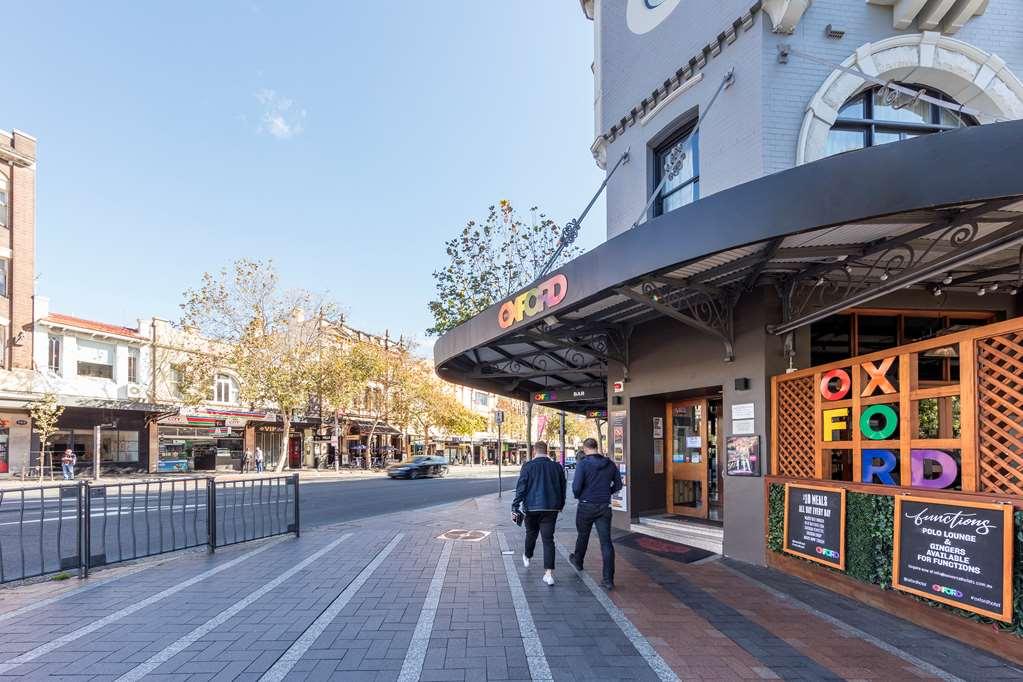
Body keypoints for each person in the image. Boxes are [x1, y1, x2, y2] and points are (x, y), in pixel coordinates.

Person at [569, 437, 623, 590]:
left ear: (585, 449)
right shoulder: (610, 464)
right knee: (606, 542)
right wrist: (607, 492)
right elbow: (618, 484)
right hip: (604, 507)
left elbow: (576, 487)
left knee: (583, 535)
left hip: (586, 505)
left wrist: (580, 495)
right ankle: (608, 579)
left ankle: (578, 561)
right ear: (596, 447)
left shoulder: (583, 464)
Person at [511, 441, 566, 586]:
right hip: (551, 509)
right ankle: (548, 574)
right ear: (546, 451)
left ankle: (527, 555)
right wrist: (561, 504)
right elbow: (563, 487)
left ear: (534, 451)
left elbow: (521, 487)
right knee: (548, 540)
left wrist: (515, 505)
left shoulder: (528, 466)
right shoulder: (557, 467)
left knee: (531, 534)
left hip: (532, 507)